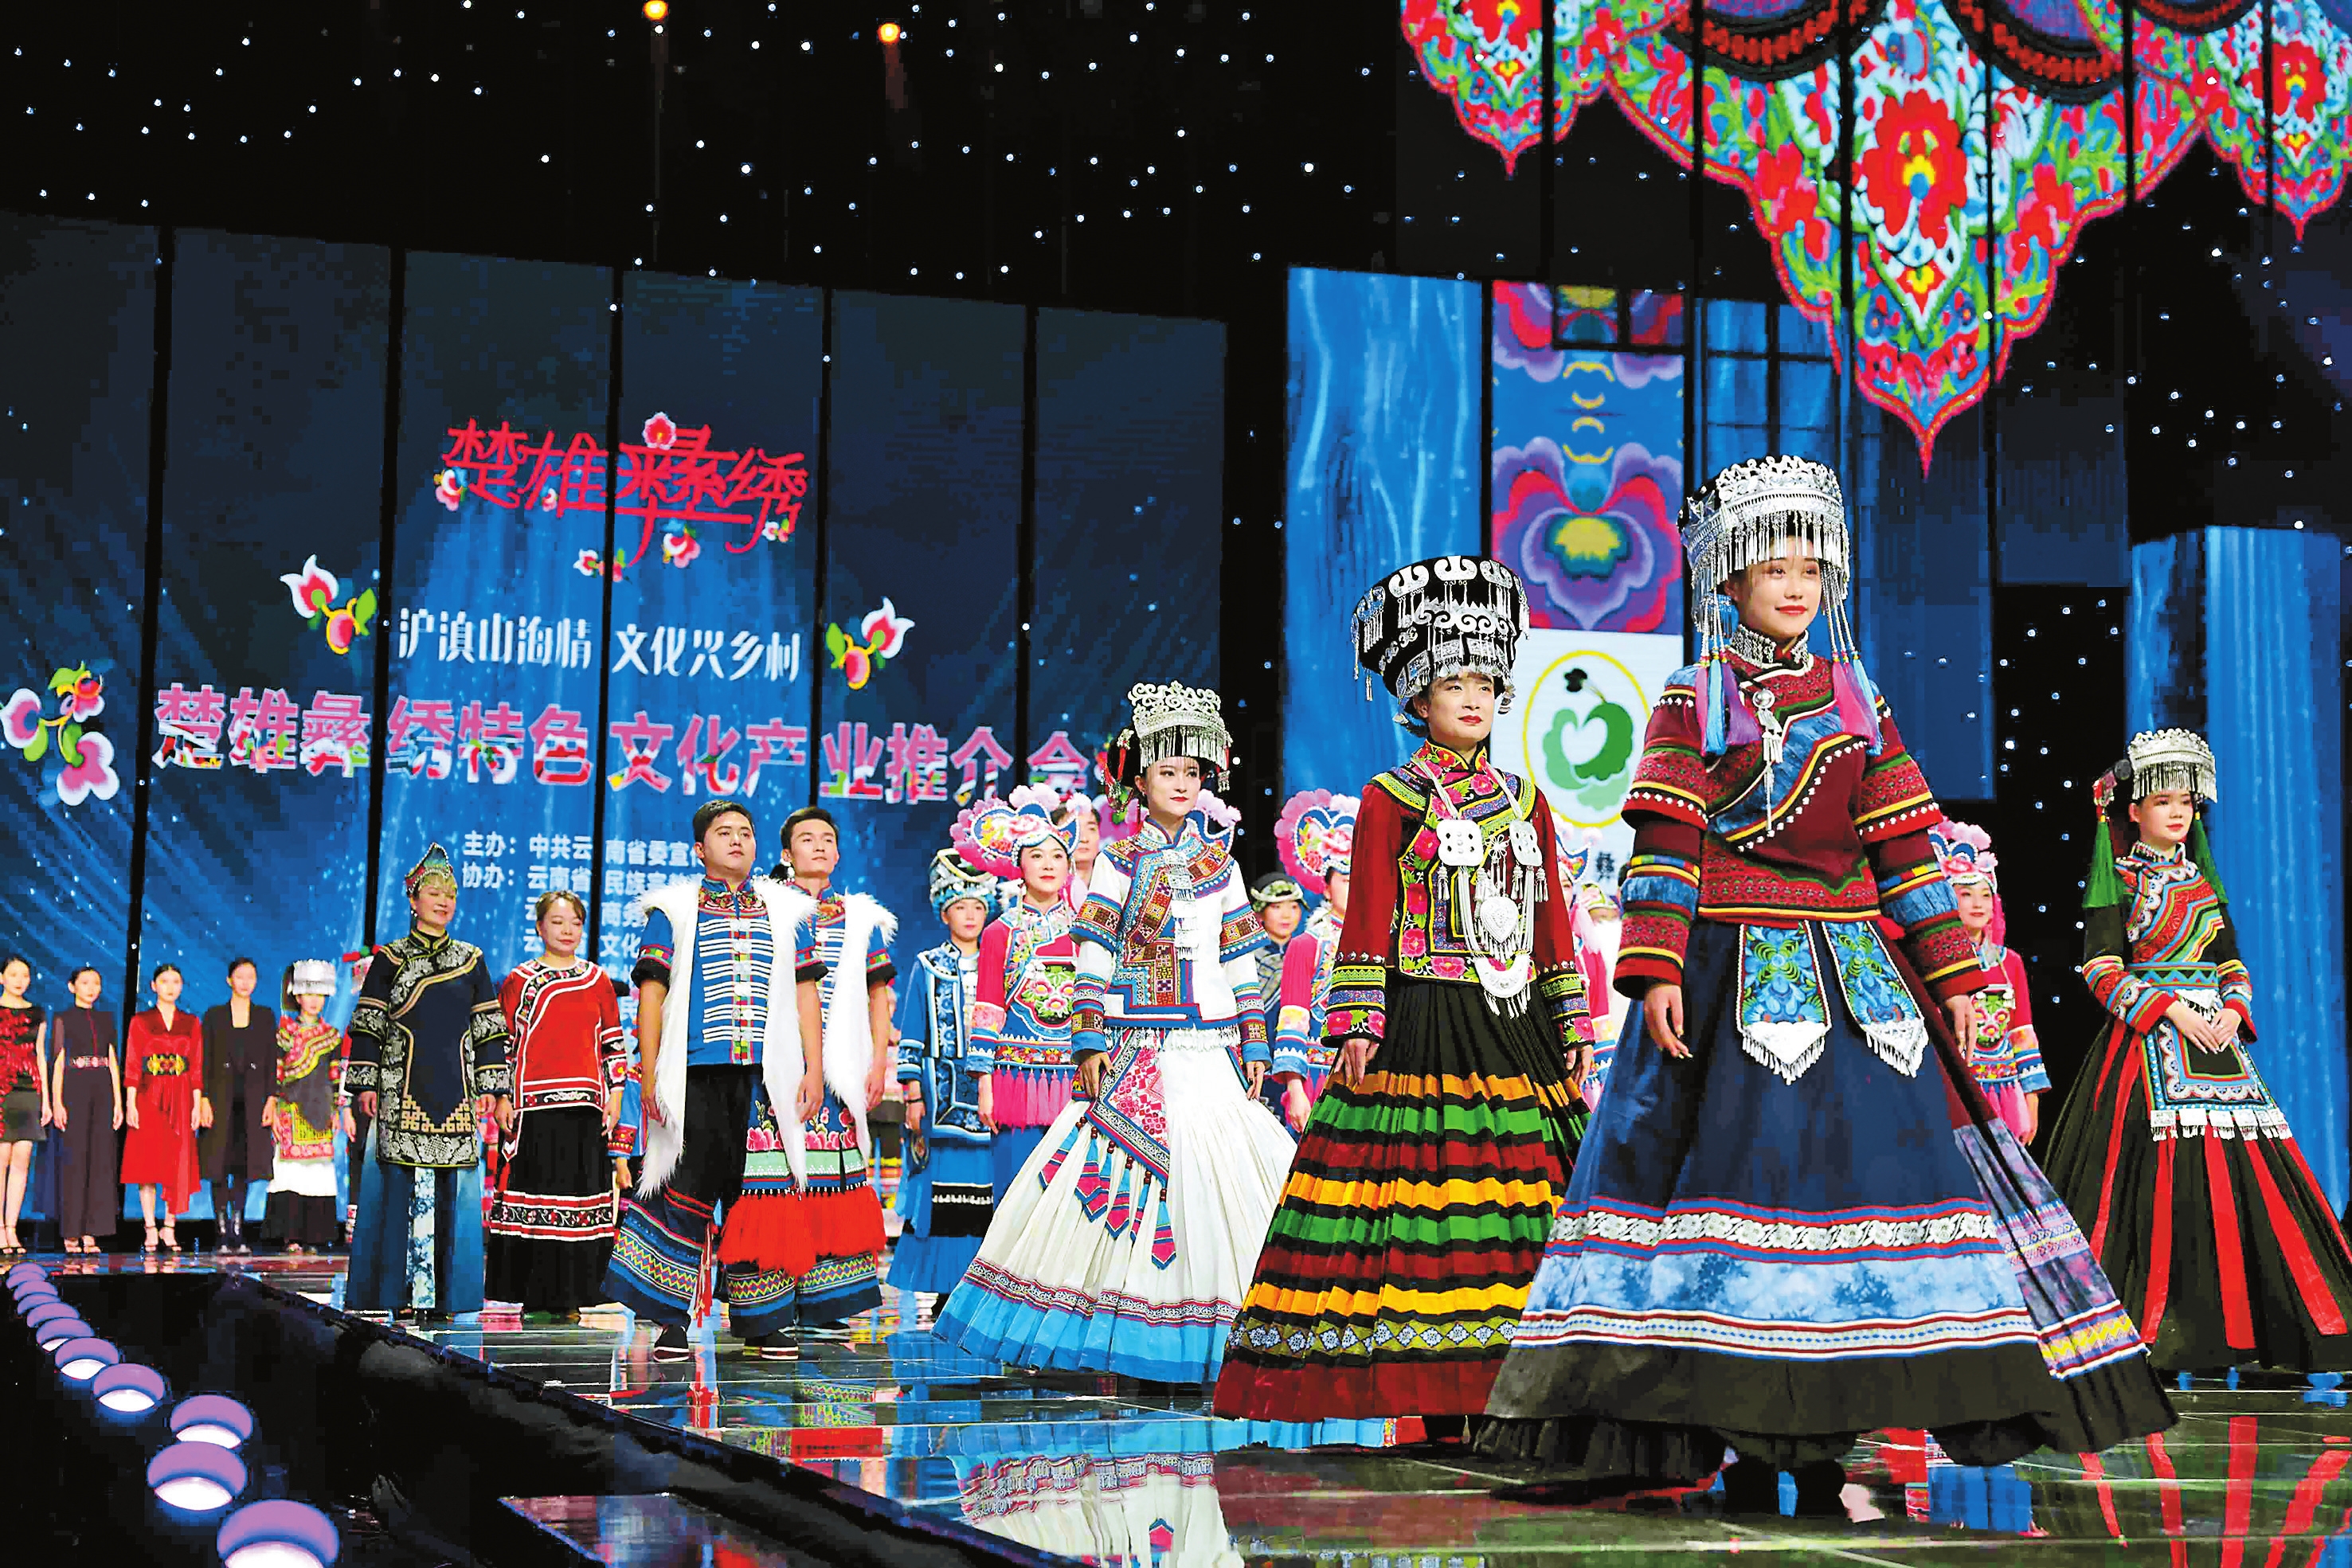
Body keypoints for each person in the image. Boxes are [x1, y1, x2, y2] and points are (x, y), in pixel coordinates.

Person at [1473, 456, 2172, 1509]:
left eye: (1811, 569)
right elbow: (1667, 848)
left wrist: (1955, 974)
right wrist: (1653, 969)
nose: (1796, 587)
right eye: (1774, 569)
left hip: (1858, 989)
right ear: (1730, 582)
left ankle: (1827, 1429)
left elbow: (1906, 856)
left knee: (1867, 1190)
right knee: (1741, 1185)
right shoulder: (1692, 697)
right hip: (1727, 976)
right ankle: (1749, 1435)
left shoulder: (1857, 698)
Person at [1217, 558, 1592, 1427]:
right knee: (1423, 1196)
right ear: (1417, 698)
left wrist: (1570, 1017)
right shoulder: (1391, 797)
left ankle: (1529, 1383)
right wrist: (1358, 1016)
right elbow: (1370, 916)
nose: (1473, 699)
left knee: (1524, 1192)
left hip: (1516, 1021)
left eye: (1486, 685)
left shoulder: (1526, 800)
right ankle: (1436, 1389)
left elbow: (1551, 919)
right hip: (1423, 1014)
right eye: (1453, 684)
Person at [935, 681, 1297, 1384]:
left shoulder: (1221, 865)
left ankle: (1219, 1330)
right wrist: (1089, 1038)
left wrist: (1254, 1039)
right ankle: (1121, 1329)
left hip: (1208, 1045)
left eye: (1192, 771)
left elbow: (1238, 958)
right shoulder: (1117, 860)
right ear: (1139, 779)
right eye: (1167, 771)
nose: (1181, 783)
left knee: (1222, 1178)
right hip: (1137, 1045)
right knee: (1118, 1177)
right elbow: (1093, 953)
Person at [2042, 731, 2352, 1374]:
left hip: (2218, 1045)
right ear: (2134, 811)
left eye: (2185, 801)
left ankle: (2256, 1330)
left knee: (2248, 1185)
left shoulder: (2203, 885)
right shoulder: (2118, 881)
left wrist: (2233, 1009)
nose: (2177, 812)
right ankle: (2159, 1331)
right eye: (2162, 802)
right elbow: (2099, 968)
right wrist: (2171, 1009)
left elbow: (2230, 962)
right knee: (2153, 1190)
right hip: (2148, 1048)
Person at [601, 801, 835, 1361]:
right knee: (682, 1190)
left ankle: (763, 1320)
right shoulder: (674, 909)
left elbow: (806, 993)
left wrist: (814, 1067)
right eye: (723, 832)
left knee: (761, 1194)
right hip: (695, 1075)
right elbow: (651, 993)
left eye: (745, 832)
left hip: (765, 1077)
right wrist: (650, 1070)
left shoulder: (787, 910)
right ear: (699, 849)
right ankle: (669, 1320)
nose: (736, 840)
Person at [346, 843, 514, 1317]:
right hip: (401, 1089)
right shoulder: (390, 958)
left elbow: (489, 1028)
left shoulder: (471, 959)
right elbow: (369, 1024)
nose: (443, 901)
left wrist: (493, 1087)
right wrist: (366, 1083)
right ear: (413, 900)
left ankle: (443, 1298)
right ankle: (396, 1295)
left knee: (449, 1197)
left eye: (450, 895)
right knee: (397, 1191)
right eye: (434, 892)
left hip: (456, 1093)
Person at [763, 804, 895, 1331]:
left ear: (838, 854)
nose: (818, 845)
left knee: (833, 1176)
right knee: (776, 1175)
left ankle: (825, 1301)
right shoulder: (767, 907)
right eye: (806, 838)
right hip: (779, 1059)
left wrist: (878, 1061)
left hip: (841, 1063)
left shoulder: (861, 918)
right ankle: (771, 1297)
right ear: (786, 853)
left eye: (826, 838)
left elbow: (878, 993)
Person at [488, 890, 628, 1317]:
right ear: (539, 927)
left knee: (578, 1200)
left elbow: (613, 1044)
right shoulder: (519, 980)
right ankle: (534, 1295)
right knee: (534, 1200)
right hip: (532, 1110)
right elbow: (504, 1045)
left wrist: (616, 1095)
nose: (567, 930)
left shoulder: (597, 980)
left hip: (585, 1110)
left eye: (575, 923)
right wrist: (502, 1096)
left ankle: (571, 1296)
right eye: (557, 922)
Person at [955, 787, 1082, 1202]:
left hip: (1075, 1075)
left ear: (1069, 865)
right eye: (1037, 855)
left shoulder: (1086, 932)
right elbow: (988, 1008)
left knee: (1069, 1195)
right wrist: (985, 1086)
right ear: (1019, 864)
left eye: (1057, 856)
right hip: (1015, 1079)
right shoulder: (999, 932)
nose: (1048, 865)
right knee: (1016, 1191)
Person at [890, 847, 999, 1311]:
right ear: (944, 913)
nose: (970, 916)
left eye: (978, 907)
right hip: (941, 1094)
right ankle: (946, 1285)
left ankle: (985, 1286)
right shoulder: (929, 964)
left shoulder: (1003, 962)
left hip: (992, 1091)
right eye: (960, 907)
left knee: (988, 1191)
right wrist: (913, 1094)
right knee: (945, 1190)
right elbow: (913, 1029)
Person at [1933, 821, 2050, 1144]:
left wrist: (2031, 1097)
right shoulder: (1936, 964)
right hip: (1953, 1088)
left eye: (1985, 895)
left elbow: (2022, 1031)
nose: (1978, 904)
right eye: (1966, 895)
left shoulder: (2009, 962)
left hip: (2004, 1090)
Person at [1264, 790, 1358, 1132]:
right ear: (1327, 888)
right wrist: (1295, 1089)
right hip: (1320, 1078)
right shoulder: (1307, 945)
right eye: (1346, 880)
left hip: (1377, 1080)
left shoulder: (1388, 944)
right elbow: (1292, 1019)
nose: (1356, 886)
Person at [123, 963, 204, 1253]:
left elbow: (196, 1067)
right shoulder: (141, 1021)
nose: (170, 987)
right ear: (154, 986)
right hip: (149, 1094)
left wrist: (197, 1104)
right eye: (165, 981)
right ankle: (149, 1227)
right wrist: (130, 1102)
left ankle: (170, 1226)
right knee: (148, 1162)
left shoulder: (191, 1022)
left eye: (176, 982)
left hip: (181, 1095)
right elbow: (133, 1063)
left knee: (176, 1160)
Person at [199, 956, 279, 1255]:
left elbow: (271, 1060)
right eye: (240, 976)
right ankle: (221, 1231)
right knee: (218, 1164)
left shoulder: (265, 1016)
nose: (246, 982)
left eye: (251, 977)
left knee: (245, 1165)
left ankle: (238, 1228)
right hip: (219, 1098)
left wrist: (272, 1098)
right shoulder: (214, 1015)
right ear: (229, 980)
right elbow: (205, 1059)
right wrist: (203, 1099)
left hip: (253, 1099)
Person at [265, 960, 345, 1253]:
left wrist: (337, 1110)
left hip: (321, 1111)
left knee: (318, 1173)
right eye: (309, 994)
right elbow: (275, 1073)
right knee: (289, 1173)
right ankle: (291, 1236)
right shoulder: (284, 1033)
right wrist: (274, 1107)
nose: (314, 1001)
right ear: (297, 996)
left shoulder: (331, 1036)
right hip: (290, 1110)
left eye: (320, 995)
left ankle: (315, 1235)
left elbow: (335, 1076)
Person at [48, 964, 119, 1254]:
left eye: (96, 983)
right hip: (74, 1087)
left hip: (102, 1087)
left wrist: (118, 1102)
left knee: (101, 1160)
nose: (92, 988)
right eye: (86, 982)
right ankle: (71, 1232)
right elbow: (58, 1063)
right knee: (74, 1160)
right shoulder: (63, 1018)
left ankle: (92, 1231)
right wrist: (57, 1102)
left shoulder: (106, 1018)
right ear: (72, 986)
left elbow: (112, 1060)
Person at [0, 956, 50, 1255]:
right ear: (2, 978)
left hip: (29, 1091)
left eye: (25, 975)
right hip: (1, 1092)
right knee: (1, 1162)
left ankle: (11, 1228)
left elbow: (40, 1055)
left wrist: (46, 1099)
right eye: (14, 975)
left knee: (22, 1162)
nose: (20, 981)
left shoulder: (37, 1013)